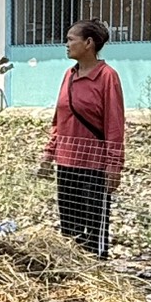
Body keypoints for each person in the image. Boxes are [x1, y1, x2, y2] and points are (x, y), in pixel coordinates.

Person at [36, 19, 125, 258]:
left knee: (94, 228)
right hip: (66, 163)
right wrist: (49, 153)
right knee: (69, 228)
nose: (66, 44)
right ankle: (74, 273)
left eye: (70, 39)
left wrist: (114, 166)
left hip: (94, 166)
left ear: (88, 43)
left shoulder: (108, 77)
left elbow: (114, 125)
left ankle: (96, 273)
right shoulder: (69, 75)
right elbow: (59, 120)